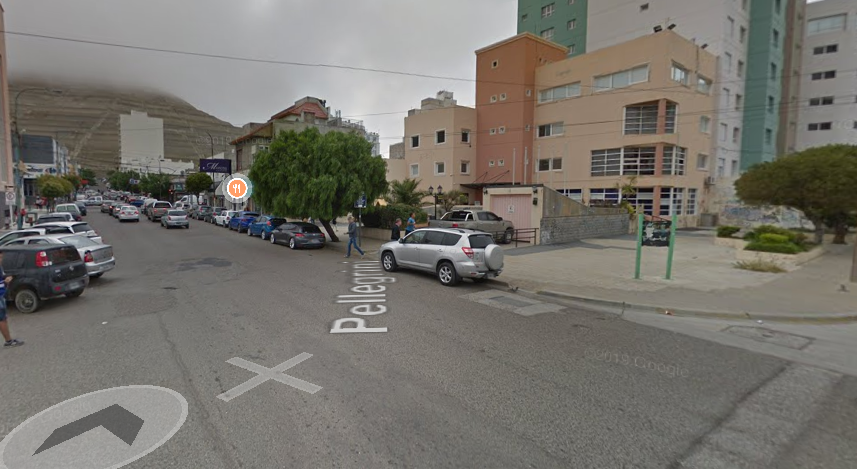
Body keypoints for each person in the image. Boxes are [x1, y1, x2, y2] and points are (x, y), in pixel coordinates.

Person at [0, 251, 23, 348]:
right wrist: (5, 281)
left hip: (1, 295)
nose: (1, 260)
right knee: (2, 319)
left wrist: (5, 280)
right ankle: (8, 341)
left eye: (1, 258)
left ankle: (9, 340)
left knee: (3, 318)